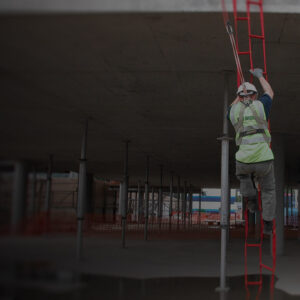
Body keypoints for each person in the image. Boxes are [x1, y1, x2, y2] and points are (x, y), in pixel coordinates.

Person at [228, 68, 275, 234]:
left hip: (244, 161)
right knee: (269, 190)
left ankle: (252, 200)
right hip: (264, 159)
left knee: (243, 176)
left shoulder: (233, 112)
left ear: (239, 97)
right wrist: (260, 76)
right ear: (255, 96)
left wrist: (241, 94)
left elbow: (231, 106)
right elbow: (269, 92)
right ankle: (268, 224)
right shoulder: (261, 106)